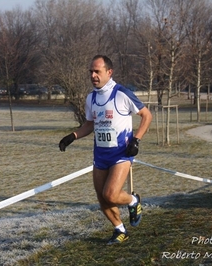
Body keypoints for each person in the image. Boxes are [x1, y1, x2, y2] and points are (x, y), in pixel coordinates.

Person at [59, 55, 152, 244]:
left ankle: (133, 201)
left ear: (109, 72)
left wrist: (136, 140)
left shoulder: (122, 93)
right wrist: (72, 136)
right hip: (100, 154)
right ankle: (120, 230)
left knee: (110, 194)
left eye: (97, 71)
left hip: (121, 153)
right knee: (103, 199)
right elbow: (90, 124)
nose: (93, 75)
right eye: (91, 72)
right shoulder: (91, 98)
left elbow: (146, 115)